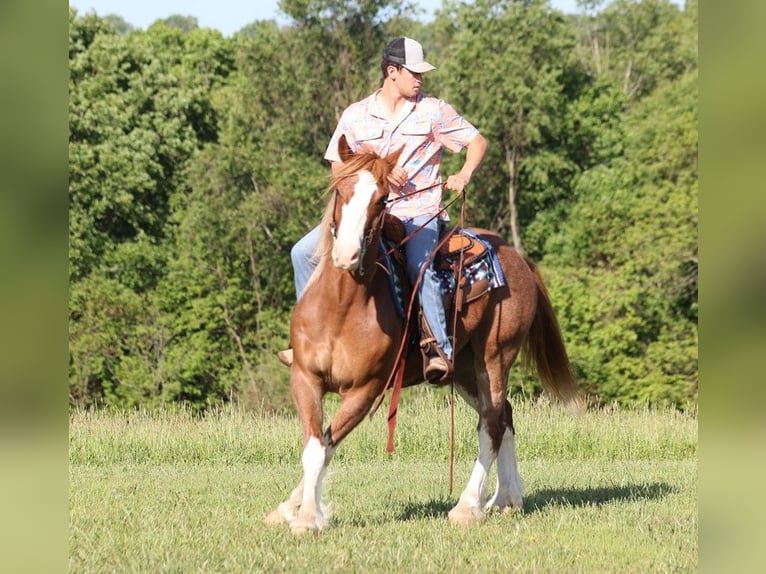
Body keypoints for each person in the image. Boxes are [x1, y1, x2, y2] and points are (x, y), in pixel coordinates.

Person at [279, 37, 487, 380]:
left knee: (422, 266)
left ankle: (438, 350)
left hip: (418, 211)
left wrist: (464, 173)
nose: (420, 79)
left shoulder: (433, 110)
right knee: (302, 253)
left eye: (422, 74)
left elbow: (477, 142)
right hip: (368, 213)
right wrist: (380, 174)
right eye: (414, 73)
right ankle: (310, 336)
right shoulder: (357, 115)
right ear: (392, 72)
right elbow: (338, 165)